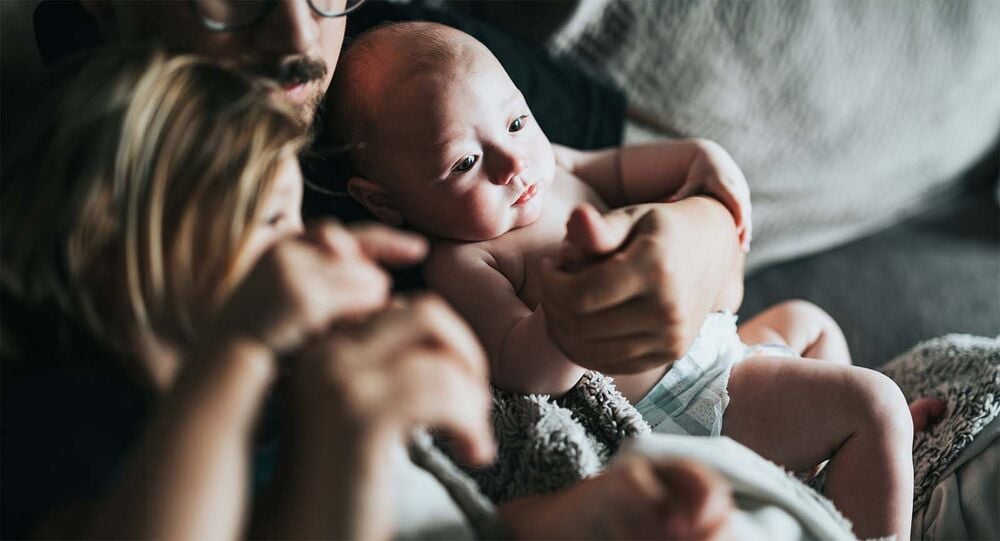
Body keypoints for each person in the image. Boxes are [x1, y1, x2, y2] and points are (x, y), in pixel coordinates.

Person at [1, 46, 751, 541]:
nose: (312, 244)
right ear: (107, 242)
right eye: (268, 221)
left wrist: (572, 519)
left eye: (298, 215)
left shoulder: (285, 392)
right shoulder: (66, 415)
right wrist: (245, 357)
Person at [327, 22, 915, 539]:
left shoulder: (549, 161)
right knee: (877, 403)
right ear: (383, 202)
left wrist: (699, 157)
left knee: (810, 319)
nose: (512, 164)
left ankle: (842, 467)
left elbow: (625, 166)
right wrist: (565, 307)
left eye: (514, 120)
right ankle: (856, 458)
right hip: (682, 407)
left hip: (721, 351)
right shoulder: (461, 263)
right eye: (464, 163)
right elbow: (525, 368)